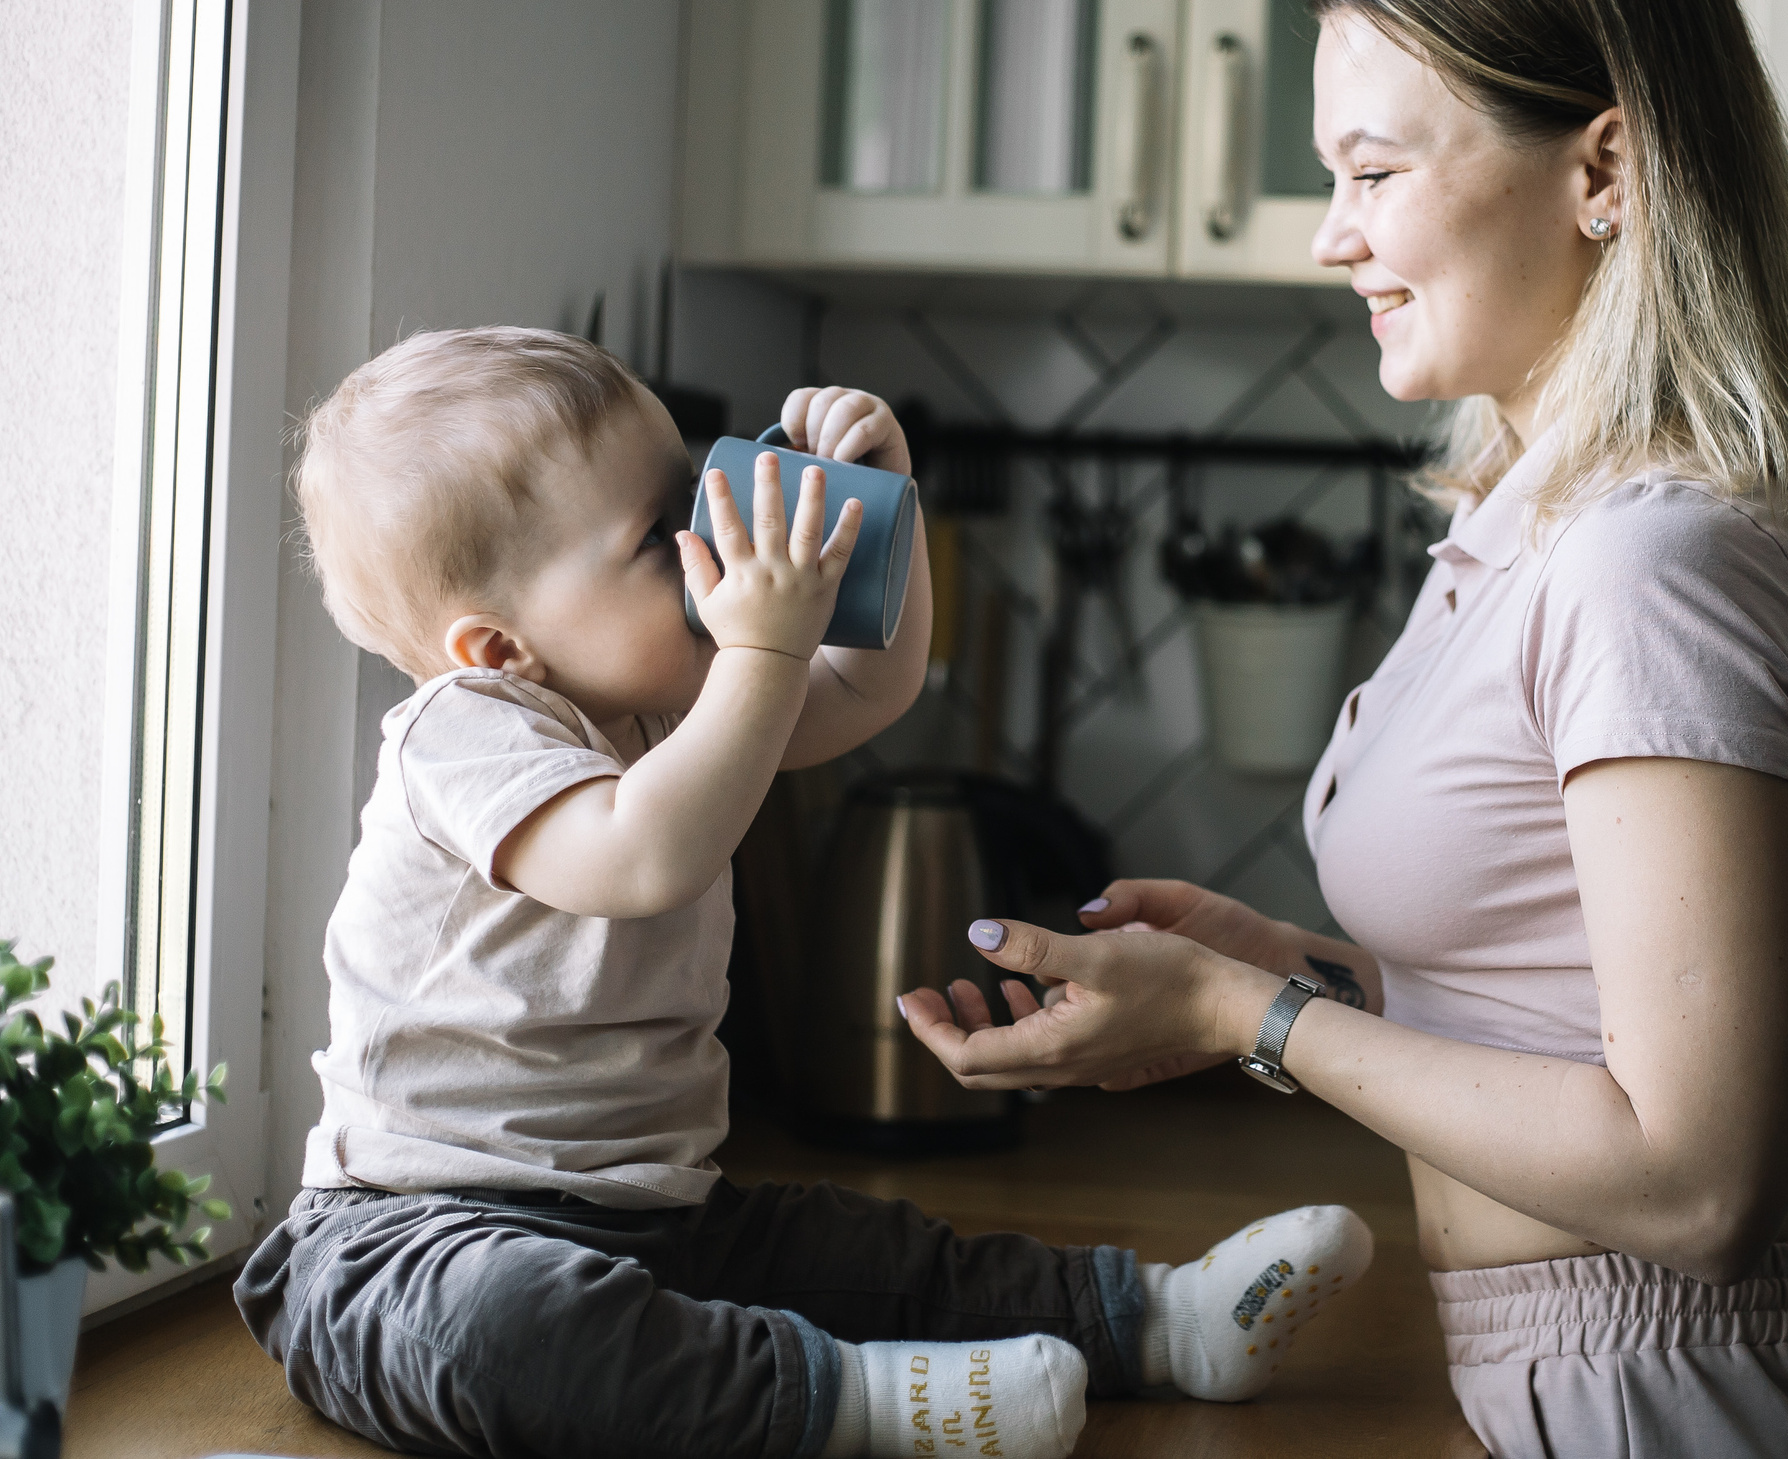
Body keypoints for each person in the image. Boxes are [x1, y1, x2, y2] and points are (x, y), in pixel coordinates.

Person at [900, 0, 1788, 1458]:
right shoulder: (1521, 528)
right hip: (1545, 1377)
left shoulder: (1651, 559)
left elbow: (1697, 1179)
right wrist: (1276, 969)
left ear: (1606, 169)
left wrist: (1249, 1017)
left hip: (1664, 1397)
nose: (1326, 237)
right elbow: (1539, 1015)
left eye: (1371, 172)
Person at [234, 327, 1373, 1459]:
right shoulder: (464, 733)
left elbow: (866, 690)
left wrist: (887, 504)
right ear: (498, 648)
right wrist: (760, 655)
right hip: (411, 1238)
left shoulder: (667, 707)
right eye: (657, 539)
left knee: (865, 1255)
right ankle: (857, 1406)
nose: (709, 544)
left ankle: (1157, 1324)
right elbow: (641, 855)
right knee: (511, 1335)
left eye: (694, 498)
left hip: (658, 1213)